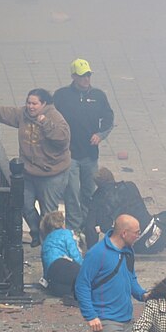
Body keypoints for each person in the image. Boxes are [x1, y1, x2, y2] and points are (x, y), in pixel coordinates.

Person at [0, 89, 71, 246]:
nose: (30, 107)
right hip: (29, 171)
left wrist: (45, 123)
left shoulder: (55, 117)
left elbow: (63, 139)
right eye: (28, 103)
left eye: (34, 104)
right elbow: (5, 113)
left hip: (52, 173)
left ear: (44, 104)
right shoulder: (23, 114)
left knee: (49, 211)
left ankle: (50, 245)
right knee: (23, 203)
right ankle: (36, 232)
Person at [82, 168, 166, 252]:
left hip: (132, 245)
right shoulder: (129, 187)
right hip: (154, 234)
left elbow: (90, 227)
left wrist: (91, 252)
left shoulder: (96, 201)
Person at [54, 58, 114, 233]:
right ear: (73, 76)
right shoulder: (61, 95)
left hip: (90, 155)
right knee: (72, 192)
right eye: (82, 76)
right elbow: (50, 115)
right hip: (69, 154)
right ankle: (74, 227)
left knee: (88, 191)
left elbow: (109, 118)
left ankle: (88, 224)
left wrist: (100, 135)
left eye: (88, 75)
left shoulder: (98, 96)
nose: (86, 79)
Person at [38, 210, 82, 298]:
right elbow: (75, 255)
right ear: (62, 223)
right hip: (62, 265)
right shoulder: (66, 233)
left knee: (68, 289)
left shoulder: (46, 240)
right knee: (88, 280)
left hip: (52, 275)